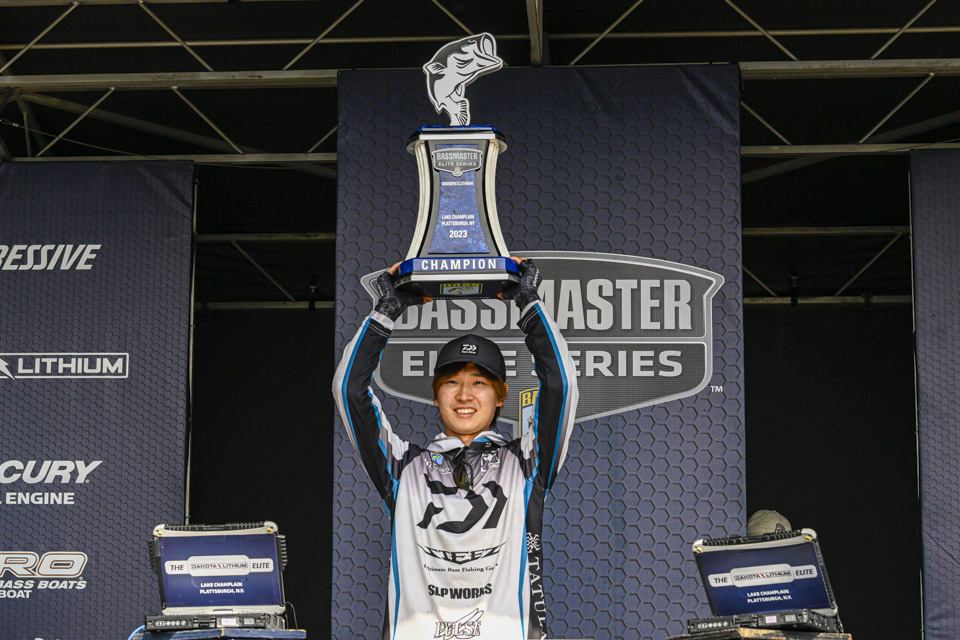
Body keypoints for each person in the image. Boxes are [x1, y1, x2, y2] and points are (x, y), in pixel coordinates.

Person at [333, 257, 579, 640]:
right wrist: (386, 310)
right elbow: (349, 389)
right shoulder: (401, 468)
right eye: (451, 382)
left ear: (500, 396)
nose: (464, 394)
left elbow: (561, 384)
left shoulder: (527, 464)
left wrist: (529, 302)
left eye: (479, 382)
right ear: (435, 396)